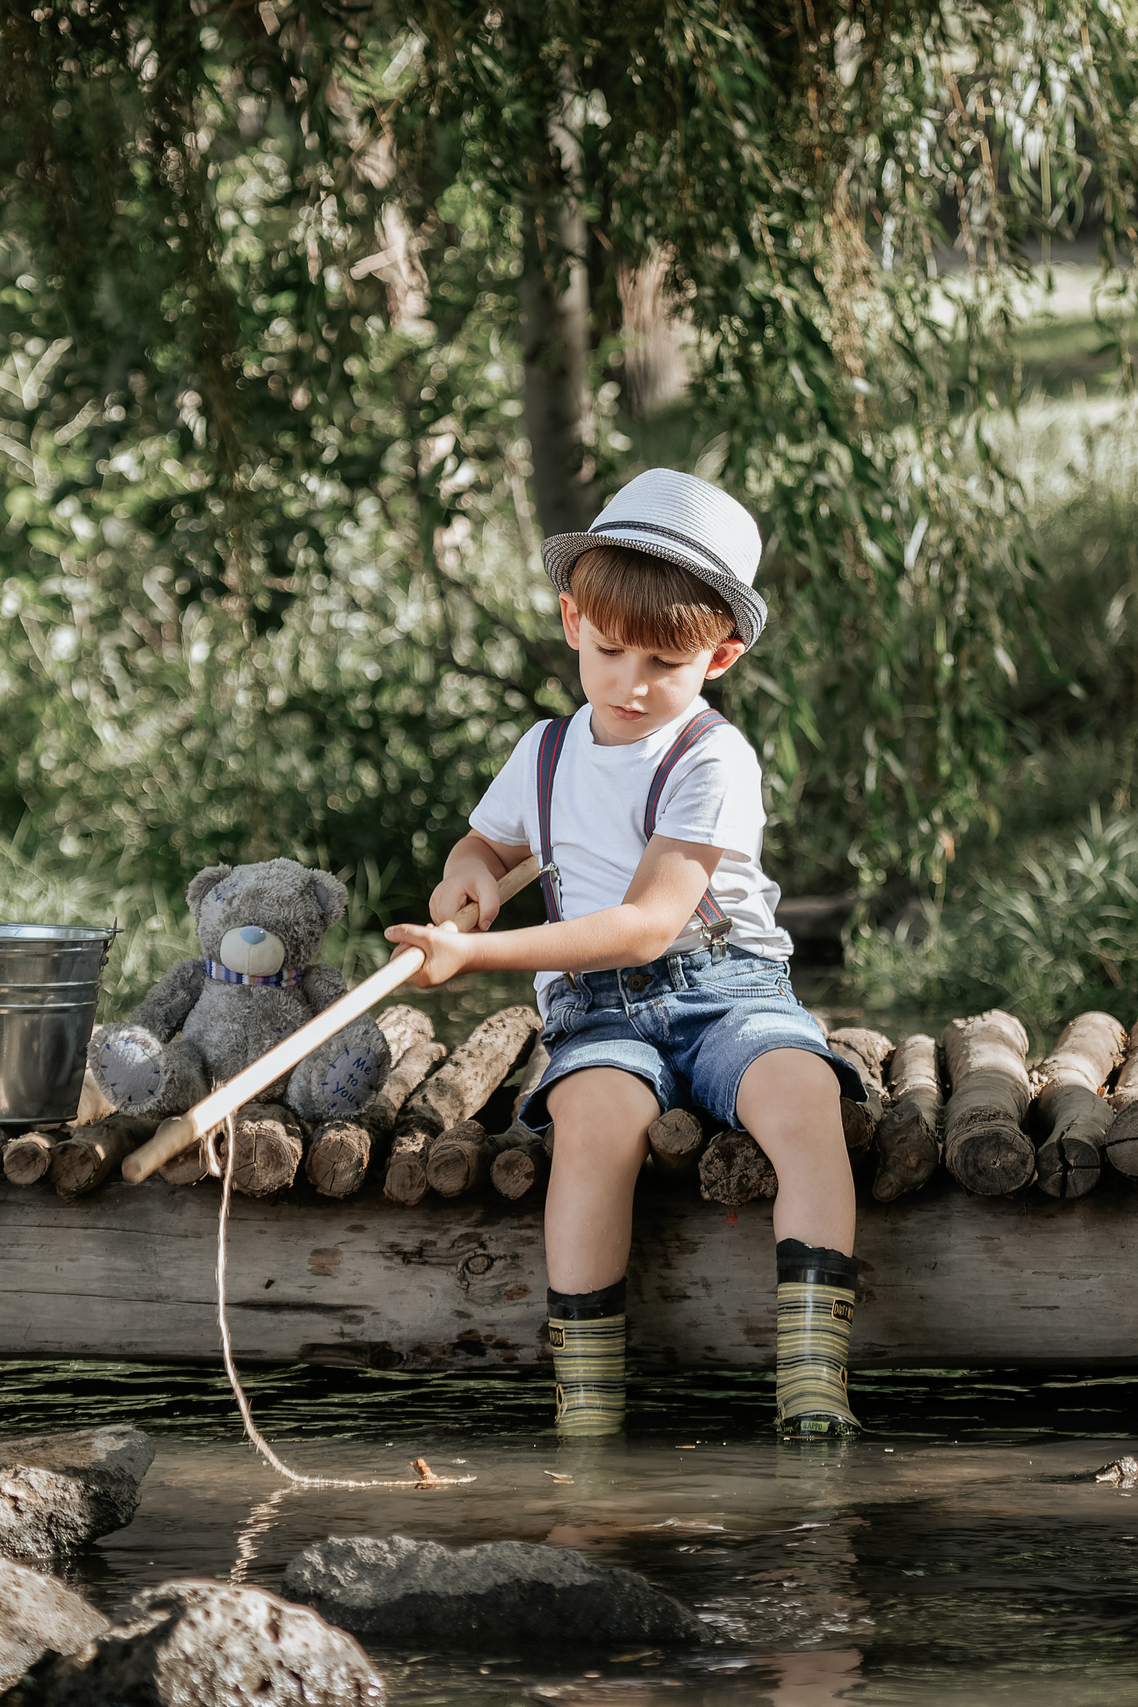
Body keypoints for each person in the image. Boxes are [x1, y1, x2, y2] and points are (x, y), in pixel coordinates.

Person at [384, 468, 866, 1438]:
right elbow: (489, 844)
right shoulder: (547, 751)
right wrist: (464, 880)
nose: (632, 684)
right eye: (609, 651)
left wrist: (475, 959)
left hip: (723, 988)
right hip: (595, 1011)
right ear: (572, 623)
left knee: (801, 1097)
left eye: (664, 664)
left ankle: (812, 1375)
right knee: (593, 1121)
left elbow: (650, 922)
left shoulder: (712, 759)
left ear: (719, 658)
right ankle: (589, 1400)